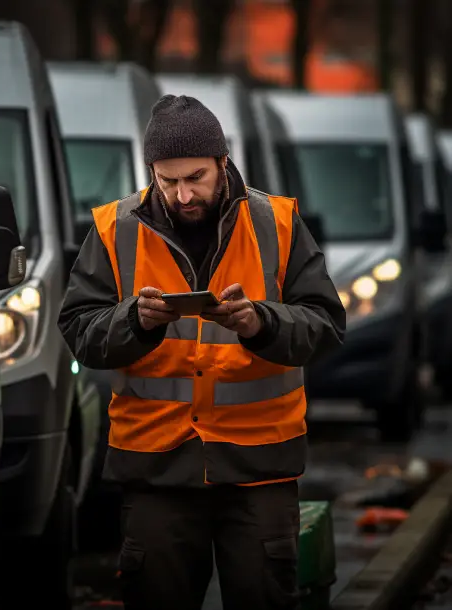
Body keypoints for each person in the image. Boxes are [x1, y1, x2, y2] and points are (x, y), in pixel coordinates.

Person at [58, 95, 346, 610]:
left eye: (196, 177)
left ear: (223, 162)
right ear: (151, 171)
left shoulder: (277, 223)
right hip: (156, 469)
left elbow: (326, 325)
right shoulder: (112, 228)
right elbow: (79, 331)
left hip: (260, 470)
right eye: (168, 181)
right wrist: (134, 321)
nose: (183, 194)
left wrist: (262, 321)